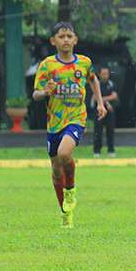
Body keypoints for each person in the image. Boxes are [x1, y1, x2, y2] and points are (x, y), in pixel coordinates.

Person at [32, 22, 106, 229]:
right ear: (53, 41)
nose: (66, 40)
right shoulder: (47, 65)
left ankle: (70, 189)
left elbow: (93, 80)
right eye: (61, 36)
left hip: (76, 117)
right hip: (54, 122)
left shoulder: (83, 63)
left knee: (65, 154)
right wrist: (45, 92)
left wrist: (99, 103)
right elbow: (35, 94)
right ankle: (66, 214)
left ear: (75, 40)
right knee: (56, 169)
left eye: (69, 36)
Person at [91, 67, 118, 158]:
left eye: (107, 73)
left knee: (110, 130)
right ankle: (97, 151)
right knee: (98, 130)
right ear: (99, 74)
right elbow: (94, 96)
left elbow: (114, 95)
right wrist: (104, 102)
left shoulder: (110, 83)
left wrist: (103, 100)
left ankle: (111, 150)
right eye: (103, 74)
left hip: (109, 111)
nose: (105, 76)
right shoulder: (96, 83)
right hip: (99, 111)